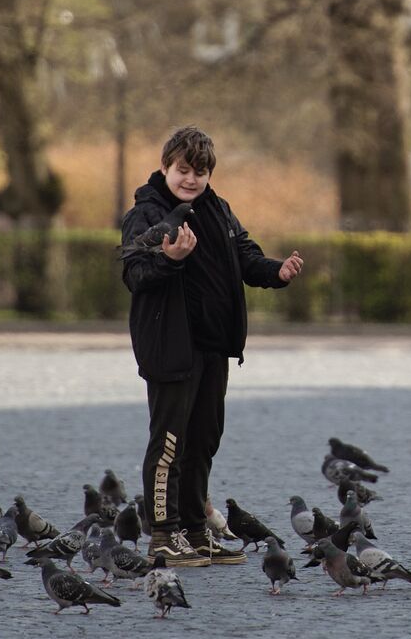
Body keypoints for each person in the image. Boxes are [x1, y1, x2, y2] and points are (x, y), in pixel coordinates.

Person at [122, 125, 303, 568]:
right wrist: (170, 259)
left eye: (200, 172)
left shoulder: (217, 209)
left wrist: (276, 272)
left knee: (204, 440)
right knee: (169, 444)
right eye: (184, 170)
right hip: (170, 347)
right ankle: (163, 535)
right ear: (166, 166)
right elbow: (134, 276)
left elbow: (246, 256)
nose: (191, 179)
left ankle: (194, 530)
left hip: (212, 348)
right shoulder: (145, 214)